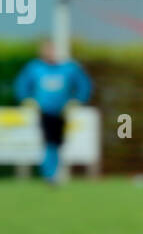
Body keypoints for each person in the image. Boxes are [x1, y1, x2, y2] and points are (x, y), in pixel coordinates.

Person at [13, 40, 92, 186]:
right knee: (49, 142)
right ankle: (49, 174)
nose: (50, 53)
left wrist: (77, 100)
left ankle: (53, 172)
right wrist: (27, 99)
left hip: (62, 111)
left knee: (57, 143)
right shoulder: (35, 68)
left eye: (52, 50)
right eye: (47, 50)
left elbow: (84, 84)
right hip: (44, 111)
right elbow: (22, 84)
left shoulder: (69, 68)